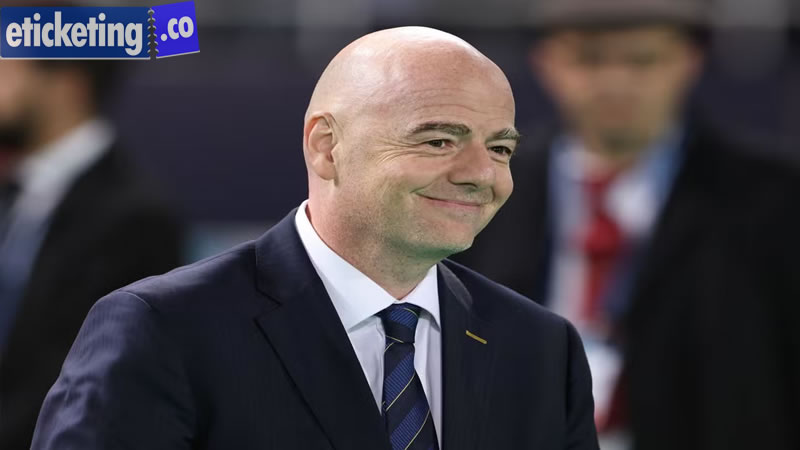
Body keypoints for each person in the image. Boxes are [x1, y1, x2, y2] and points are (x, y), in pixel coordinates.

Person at [31, 27, 599, 449]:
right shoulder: (164, 329)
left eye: (500, 148)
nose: (481, 173)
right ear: (327, 146)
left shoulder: (542, 350)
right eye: (438, 141)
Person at [453, 1, 800, 449]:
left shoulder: (774, 202)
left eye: (642, 60)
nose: (615, 82)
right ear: (546, 62)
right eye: (589, 59)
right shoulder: (482, 188)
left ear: (689, 61)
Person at [0, 57, 184, 448]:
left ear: (68, 85)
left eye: (7, 69)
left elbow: (94, 384)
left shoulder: (136, 220)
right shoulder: (14, 196)